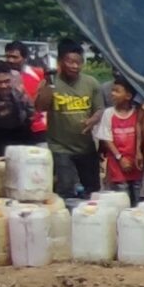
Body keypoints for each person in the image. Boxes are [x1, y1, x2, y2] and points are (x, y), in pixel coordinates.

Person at [44, 38, 103, 197]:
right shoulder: (51, 82)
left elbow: (99, 109)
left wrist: (93, 120)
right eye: (70, 62)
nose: (75, 66)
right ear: (60, 61)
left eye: (79, 62)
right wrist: (49, 85)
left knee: (93, 189)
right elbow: (40, 106)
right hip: (60, 147)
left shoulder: (91, 83)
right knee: (66, 188)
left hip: (86, 146)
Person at [98, 78, 144, 193]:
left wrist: (138, 153)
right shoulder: (108, 113)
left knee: (138, 193)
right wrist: (120, 158)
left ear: (128, 96)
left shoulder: (137, 113)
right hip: (117, 165)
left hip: (136, 163)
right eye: (112, 91)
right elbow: (107, 139)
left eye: (117, 91)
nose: (112, 94)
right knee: (122, 194)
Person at [0, 60, 40, 149]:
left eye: (7, 81)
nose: (3, 86)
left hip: (21, 131)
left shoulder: (17, 89)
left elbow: (30, 110)